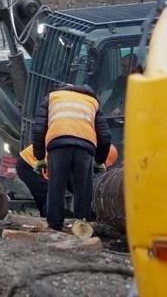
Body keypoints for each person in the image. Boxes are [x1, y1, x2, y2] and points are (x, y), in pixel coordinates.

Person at [31, 83, 112, 231]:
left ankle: (54, 227)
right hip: (85, 149)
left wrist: (40, 158)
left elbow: (38, 129)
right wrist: (99, 161)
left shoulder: (52, 97)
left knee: (56, 187)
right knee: (83, 190)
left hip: (58, 146)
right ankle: (82, 228)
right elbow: (105, 136)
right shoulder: (92, 102)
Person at [16, 143, 118, 218]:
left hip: (42, 162)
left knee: (46, 198)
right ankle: (52, 225)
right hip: (29, 164)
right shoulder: (81, 152)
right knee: (48, 195)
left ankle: (48, 222)